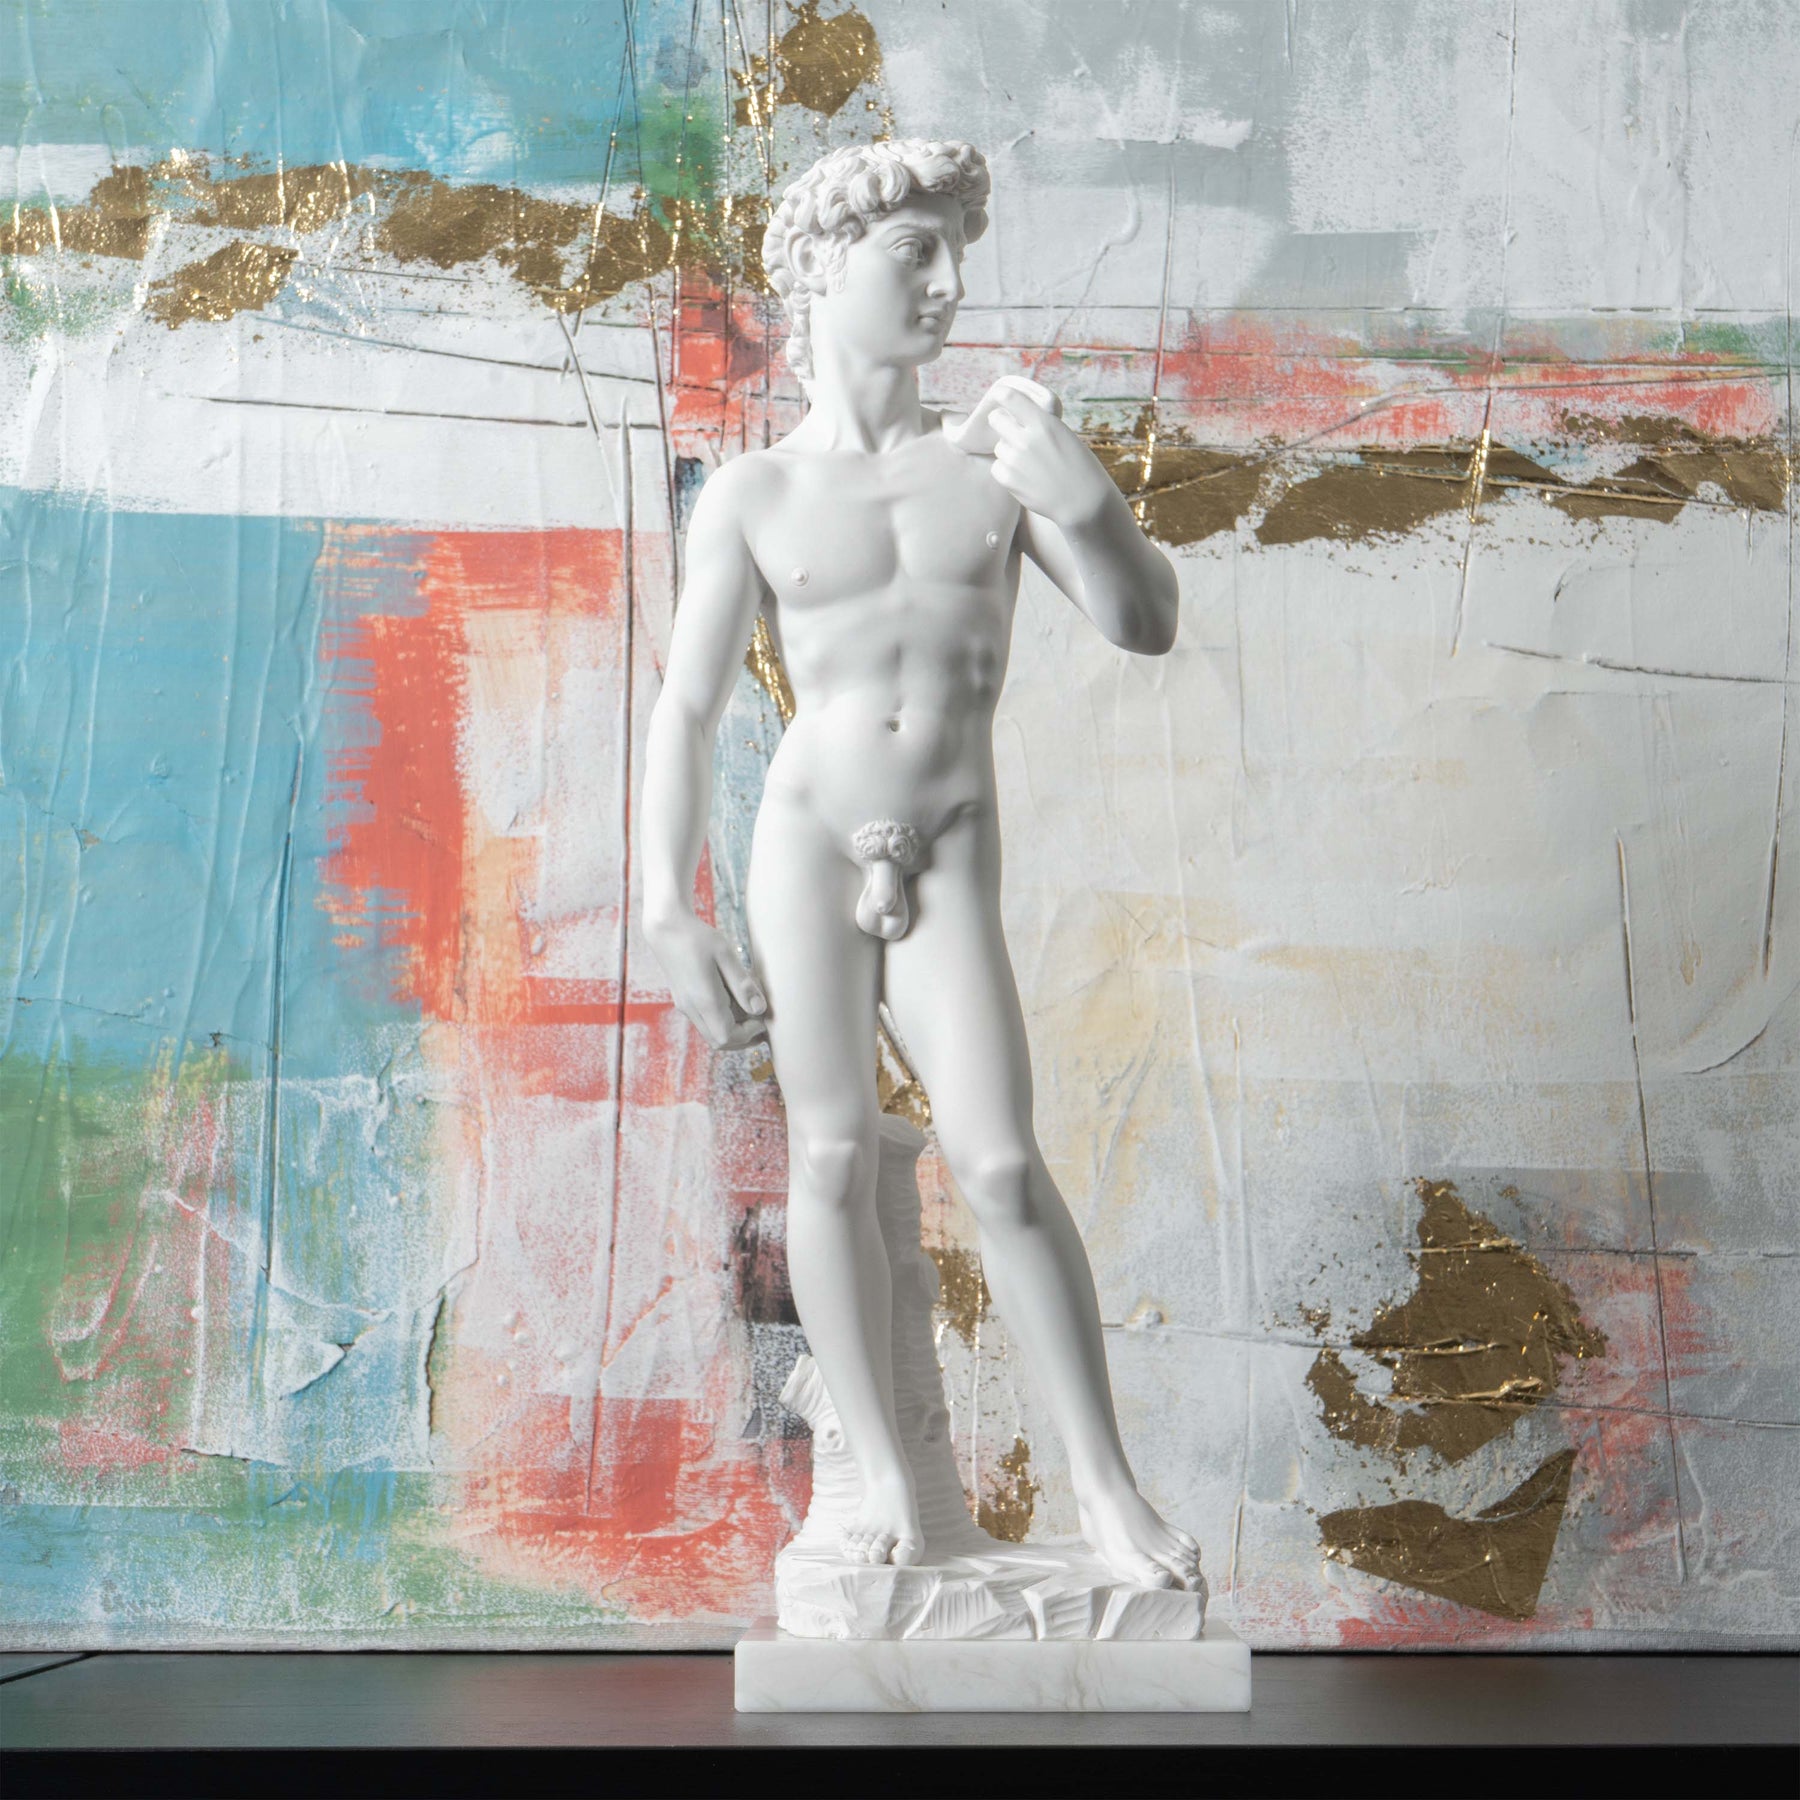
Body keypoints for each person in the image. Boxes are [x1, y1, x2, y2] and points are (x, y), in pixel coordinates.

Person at [641, 139, 1199, 1591]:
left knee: (999, 1161)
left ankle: (1105, 1488)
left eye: (960, 250)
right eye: (918, 252)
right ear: (828, 270)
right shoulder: (756, 490)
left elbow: (1145, 625)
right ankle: (883, 1475)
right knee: (829, 1154)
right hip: (808, 840)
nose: (951, 284)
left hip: (948, 839)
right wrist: (663, 905)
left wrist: (1088, 497)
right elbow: (686, 707)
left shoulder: (994, 466)